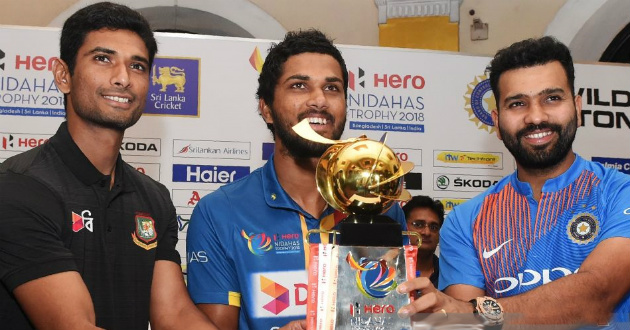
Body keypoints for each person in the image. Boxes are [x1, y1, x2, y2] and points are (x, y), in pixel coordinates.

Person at [0, 3, 263, 330]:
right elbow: (73, 325)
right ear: (63, 75)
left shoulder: (153, 198)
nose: (123, 78)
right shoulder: (17, 188)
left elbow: (174, 314)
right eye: (102, 59)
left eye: (137, 66)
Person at [397, 36, 630, 328]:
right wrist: (467, 314)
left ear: (578, 107)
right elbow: (466, 324)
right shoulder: (465, 221)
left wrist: (478, 312)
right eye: (518, 103)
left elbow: (598, 295)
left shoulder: (621, 193)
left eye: (552, 98)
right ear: (497, 121)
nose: (536, 116)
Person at [186, 29, 408, 330]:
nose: (319, 100)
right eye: (299, 86)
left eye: (332, 88)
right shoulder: (220, 212)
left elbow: (387, 316)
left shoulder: (380, 207)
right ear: (266, 108)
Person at [402, 195, 444, 289]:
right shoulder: (388, 272)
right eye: (418, 225)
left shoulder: (450, 273)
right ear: (403, 227)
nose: (427, 232)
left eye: (433, 227)